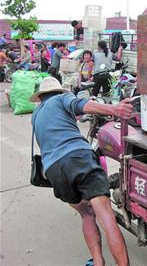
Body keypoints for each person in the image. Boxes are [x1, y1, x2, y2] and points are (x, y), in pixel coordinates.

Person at [30, 77, 132, 266]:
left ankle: (98, 261)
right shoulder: (61, 99)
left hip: (54, 170)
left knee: (86, 213)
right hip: (78, 157)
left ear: (41, 97)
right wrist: (114, 109)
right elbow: (80, 104)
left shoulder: (36, 115)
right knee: (105, 214)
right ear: (58, 92)